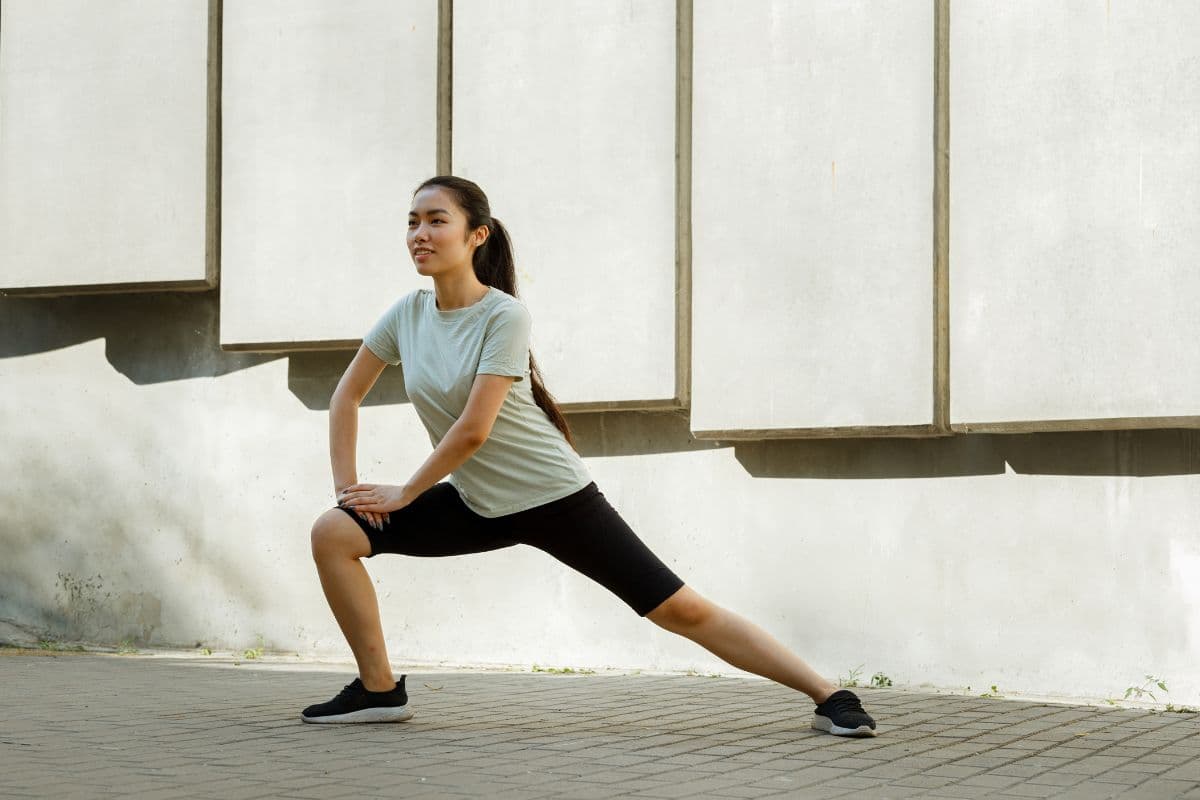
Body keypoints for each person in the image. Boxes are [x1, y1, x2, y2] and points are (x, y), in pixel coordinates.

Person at [302, 175, 878, 737]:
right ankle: (379, 690)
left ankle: (829, 695)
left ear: (477, 235)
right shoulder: (407, 313)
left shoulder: (503, 316)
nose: (420, 234)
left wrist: (406, 492)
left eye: (436, 220)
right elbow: (345, 395)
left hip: (555, 498)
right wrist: (348, 489)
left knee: (681, 612)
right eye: (412, 222)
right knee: (335, 532)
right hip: (477, 503)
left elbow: (473, 429)